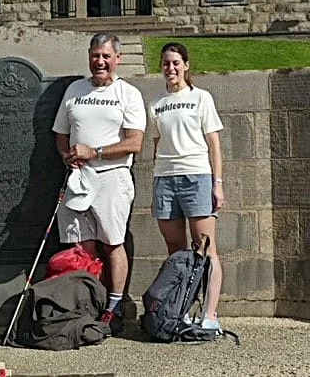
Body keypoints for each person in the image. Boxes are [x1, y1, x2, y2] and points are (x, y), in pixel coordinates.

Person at [52, 33, 146, 335]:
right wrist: (67, 156)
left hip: (112, 177)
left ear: (117, 59)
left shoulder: (128, 93)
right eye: (95, 55)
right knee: (83, 247)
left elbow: (135, 142)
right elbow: (61, 132)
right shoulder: (74, 90)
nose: (100, 61)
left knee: (112, 243)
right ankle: (89, 303)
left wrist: (97, 152)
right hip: (79, 178)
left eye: (106, 56)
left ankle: (114, 307)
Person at [149, 42, 225, 332]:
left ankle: (209, 314)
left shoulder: (201, 98)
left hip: (196, 176)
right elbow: (158, 144)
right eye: (166, 63)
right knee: (176, 252)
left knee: (206, 250)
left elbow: (214, 144)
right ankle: (179, 310)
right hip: (165, 180)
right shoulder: (156, 105)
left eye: (176, 63)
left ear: (186, 65)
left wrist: (217, 184)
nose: (171, 68)